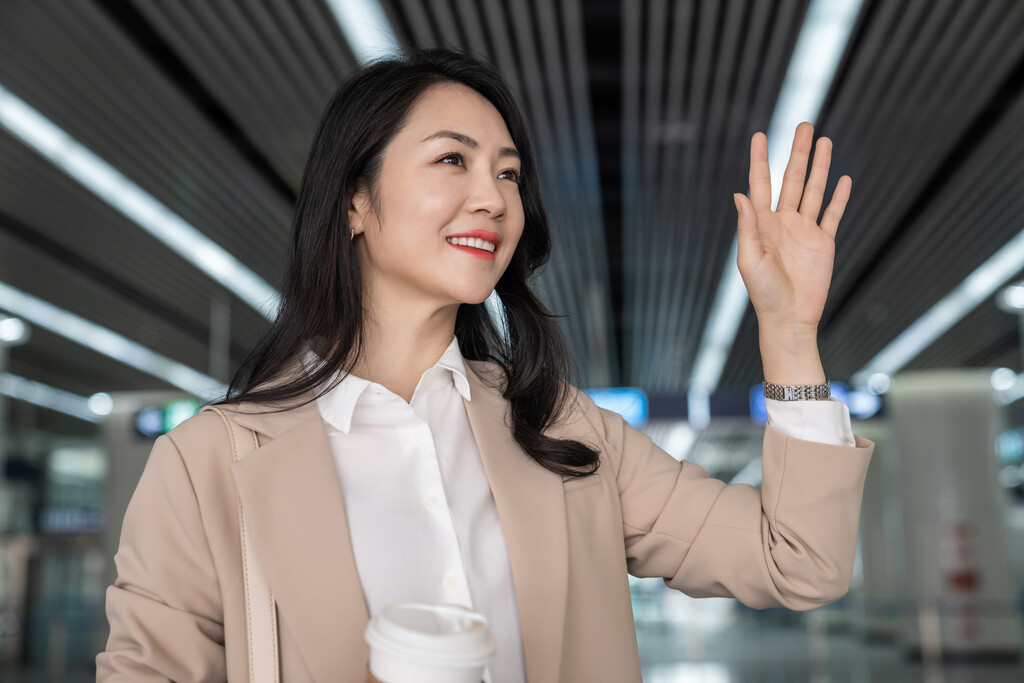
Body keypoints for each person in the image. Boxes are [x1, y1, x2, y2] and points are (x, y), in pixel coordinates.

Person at [97, 48, 874, 682]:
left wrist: (789, 331)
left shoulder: (562, 427)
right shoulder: (208, 465)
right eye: (452, 161)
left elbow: (799, 561)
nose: (496, 199)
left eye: (507, 173)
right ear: (354, 203)